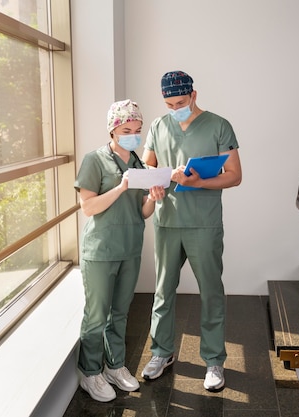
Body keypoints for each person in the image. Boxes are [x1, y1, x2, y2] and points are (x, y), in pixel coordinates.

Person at [140, 71, 242, 391]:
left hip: (204, 223)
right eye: (169, 104)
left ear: (193, 95)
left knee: (211, 292)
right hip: (167, 221)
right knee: (163, 292)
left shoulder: (219, 125)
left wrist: (199, 182)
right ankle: (161, 353)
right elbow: (146, 168)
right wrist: (154, 185)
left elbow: (235, 175)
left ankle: (213, 361)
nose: (175, 109)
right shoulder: (159, 126)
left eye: (180, 102)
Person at [74, 99, 165, 402]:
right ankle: (90, 373)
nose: (133, 135)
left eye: (137, 130)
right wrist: (120, 187)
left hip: (129, 248)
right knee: (96, 316)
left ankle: (115, 366)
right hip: (100, 250)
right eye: (127, 129)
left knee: (120, 314)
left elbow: (143, 213)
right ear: (113, 130)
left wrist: (154, 196)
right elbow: (88, 207)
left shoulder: (139, 164)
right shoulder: (94, 161)